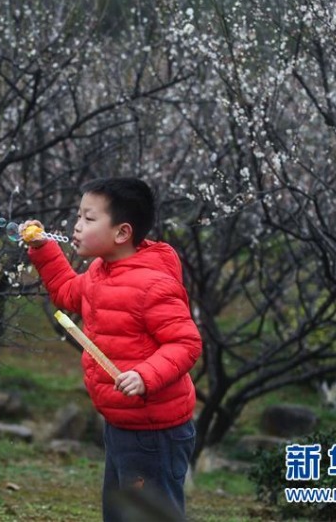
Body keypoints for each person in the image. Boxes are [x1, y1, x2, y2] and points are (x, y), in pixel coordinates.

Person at [21, 177, 202, 522]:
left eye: (89, 219)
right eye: (78, 217)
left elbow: (185, 342)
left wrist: (144, 375)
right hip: (122, 422)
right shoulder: (100, 272)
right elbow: (67, 292)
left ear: (122, 233)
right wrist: (43, 249)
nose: (76, 226)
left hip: (155, 431)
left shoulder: (152, 285)